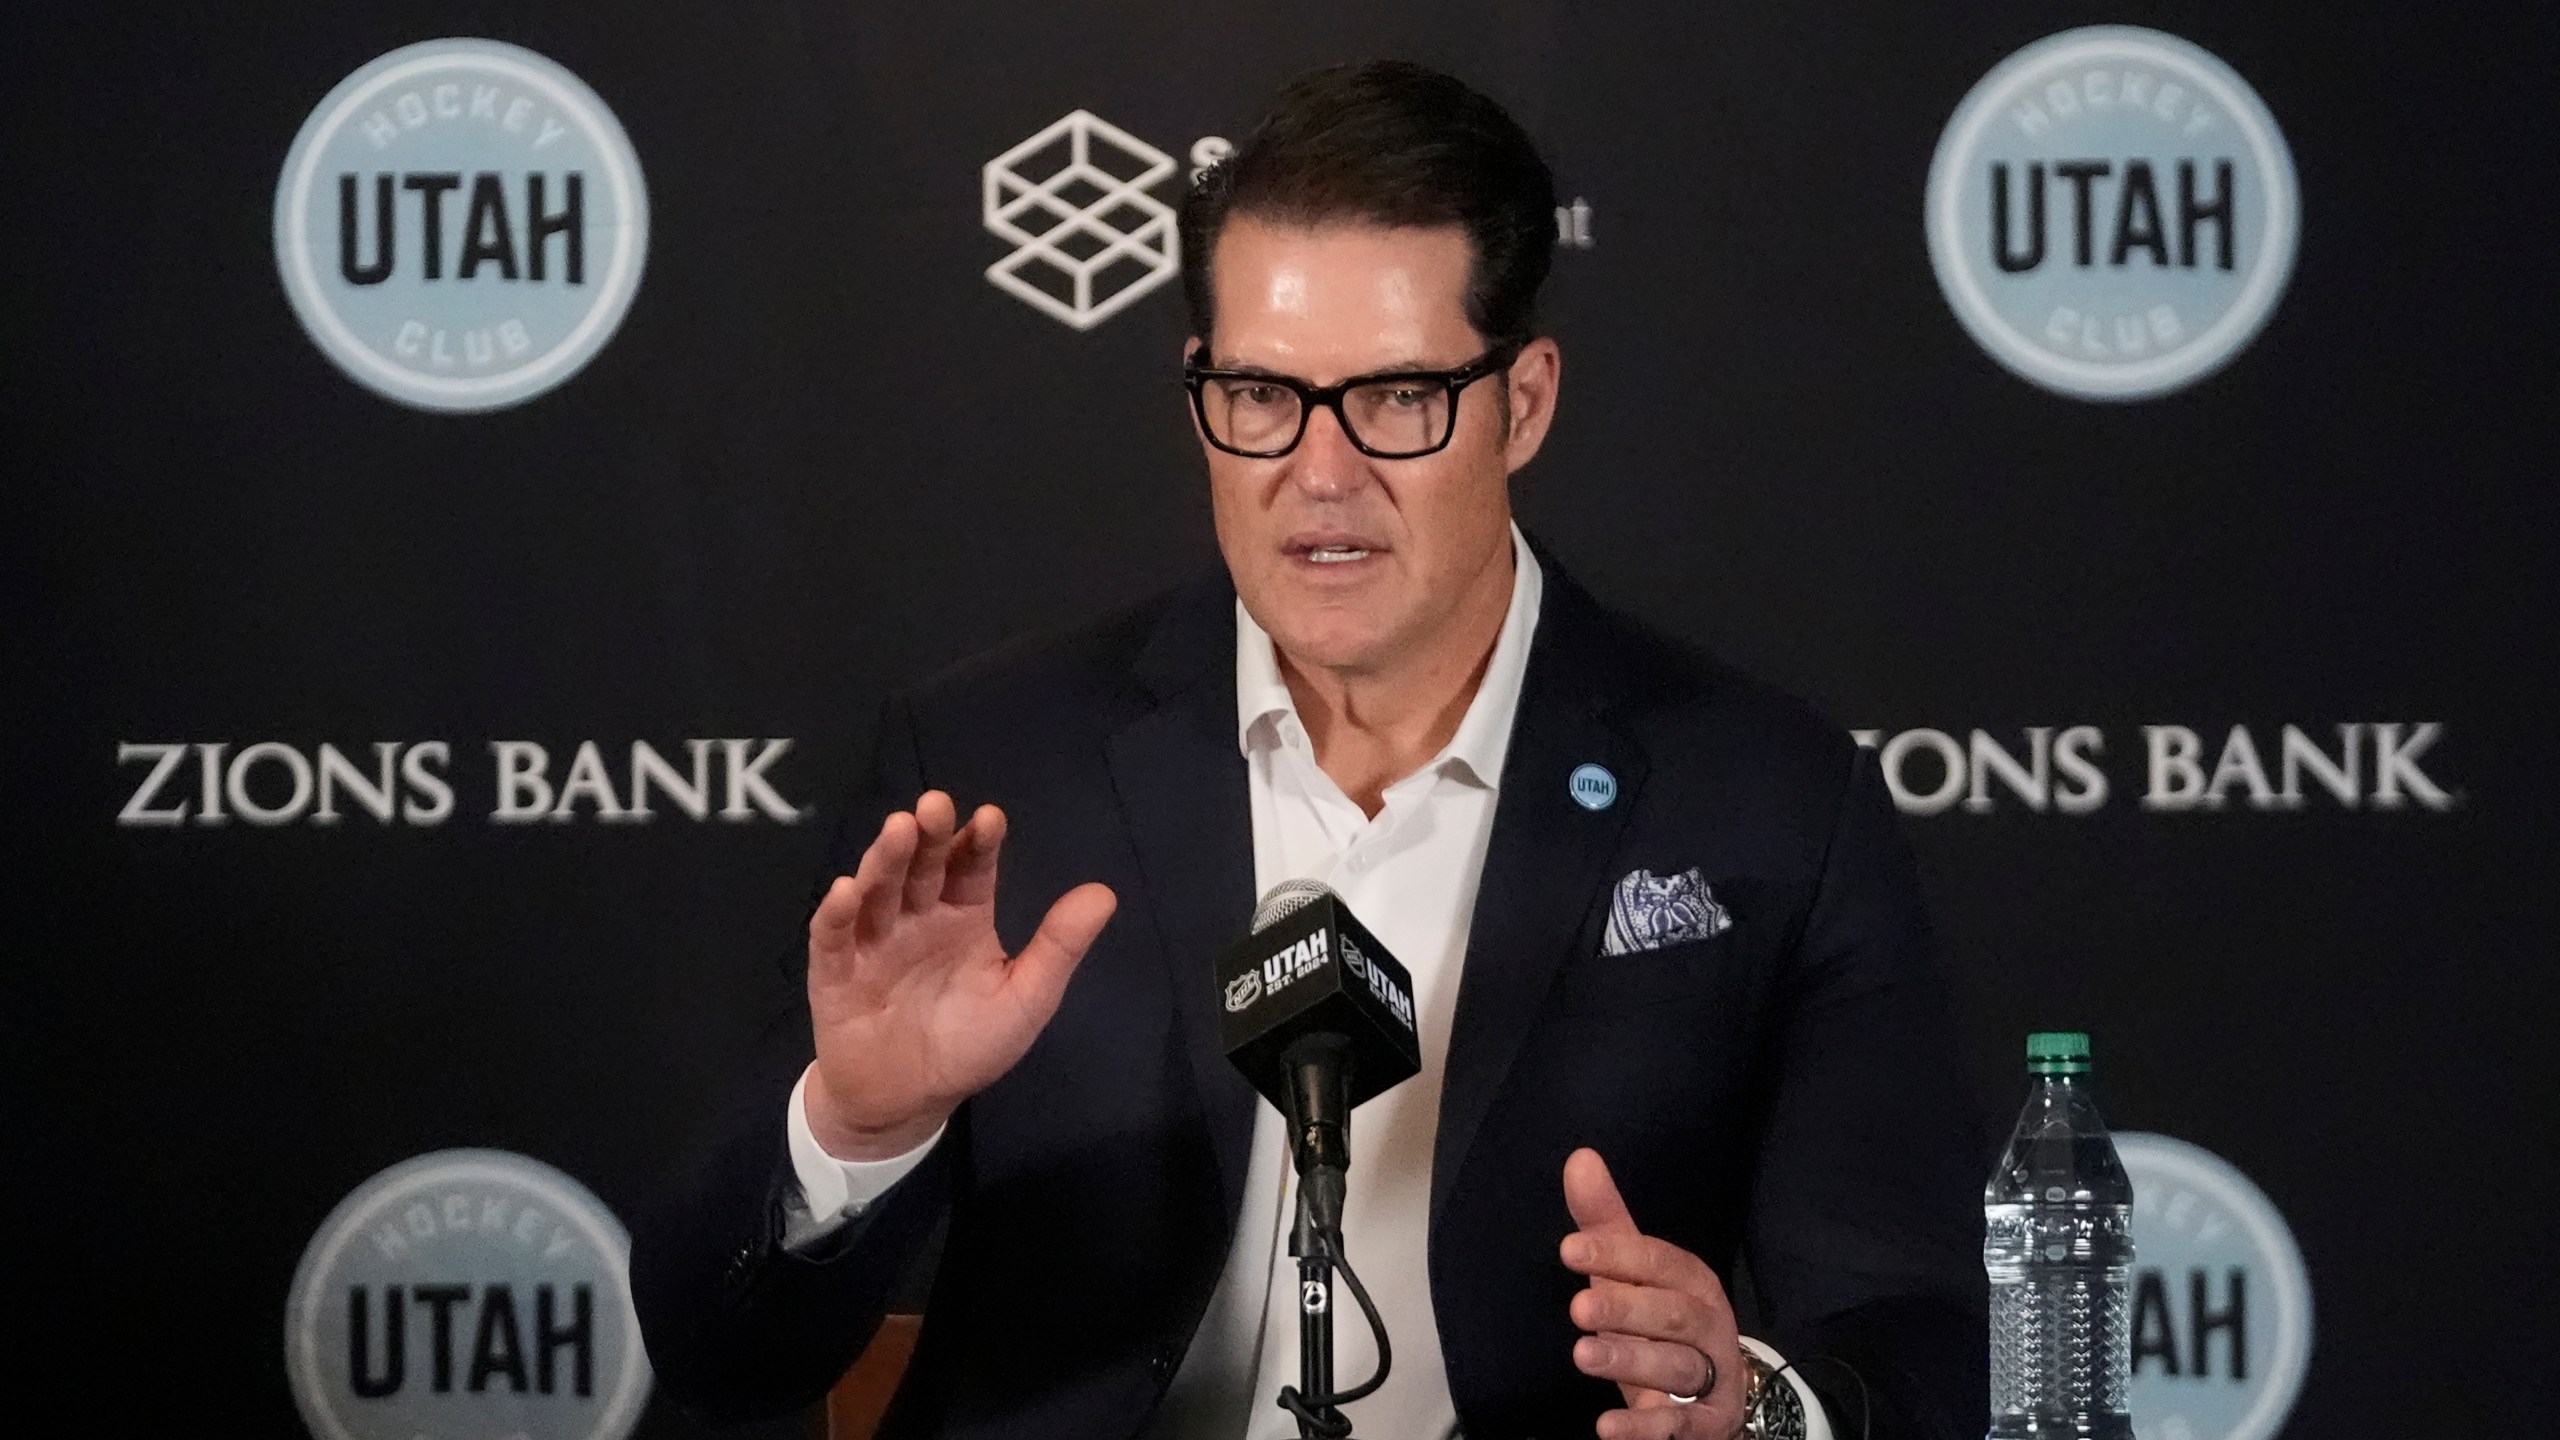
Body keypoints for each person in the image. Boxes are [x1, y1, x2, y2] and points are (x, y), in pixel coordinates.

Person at [632, 60, 1986, 1440]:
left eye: (1398, 397)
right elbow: (716, 1357)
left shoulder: (1763, 798)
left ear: (1523, 402)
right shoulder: (994, 770)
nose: (1319, 475)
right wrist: (854, 1133)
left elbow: (1917, 1340)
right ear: (1198, 392)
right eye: (1265, 396)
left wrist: (1752, 1403)